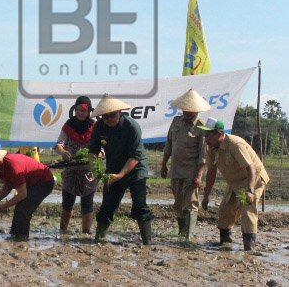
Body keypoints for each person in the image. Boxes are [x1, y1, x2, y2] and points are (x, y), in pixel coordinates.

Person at [88, 93, 152, 245]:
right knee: (107, 205)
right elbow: (92, 152)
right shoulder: (99, 127)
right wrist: (95, 171)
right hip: (113, 168)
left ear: (119, 113)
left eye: (112, 115)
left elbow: (135, 157)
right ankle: (99, 239)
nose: (108, 119)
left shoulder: (132, 127)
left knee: (140, 205)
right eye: (105, 116)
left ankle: (147, 243)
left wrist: (121, 175)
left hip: (136, 168)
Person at [199, 118, 270, 251]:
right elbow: (211, 173)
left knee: (247, 210)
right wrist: (206, 195)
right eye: (205, 136)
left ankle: (249, 248)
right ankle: (225, 243)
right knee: (225, 210)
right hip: (235, 182)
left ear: (219, 134)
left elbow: (251, 168)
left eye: (208, 135)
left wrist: (250, 190)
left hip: (253, 179)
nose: (206, 139)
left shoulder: (235, 144)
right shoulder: (211, 149)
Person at [160, 89, 209, 241]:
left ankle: (188, 237)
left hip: (191, 172)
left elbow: (203, 154)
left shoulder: (201, 126)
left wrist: (199, 176)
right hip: (176, 170)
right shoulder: (176, 121)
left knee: (191, 204)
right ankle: (181, 233)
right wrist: (163, 165)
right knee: (179, 203)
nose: (187, 112)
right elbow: (168, 145)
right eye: (185, 109)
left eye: (191, 109)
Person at [0, 150, 55, 240]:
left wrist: (2, 207)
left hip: (44, 181)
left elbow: (22, 194)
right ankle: (15, 235)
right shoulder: (0, 168)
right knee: (21, 207)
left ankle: (22, 238)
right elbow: (8, 185)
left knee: (24, 208)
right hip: (31, 182)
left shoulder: (12, 166)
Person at [55, 96, 97, 234]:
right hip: (70, 170)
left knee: (87, 203)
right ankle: (63, 230)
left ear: (89, 111)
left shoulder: (95, 126)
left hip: (88, 171)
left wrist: (99, 154)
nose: (80, 113)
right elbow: (59, 144)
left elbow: (101, 147)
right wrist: (64, 152)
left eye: (83, 111)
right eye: (77, 110)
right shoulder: (68, 126)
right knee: (67, 202)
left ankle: (86, 233)